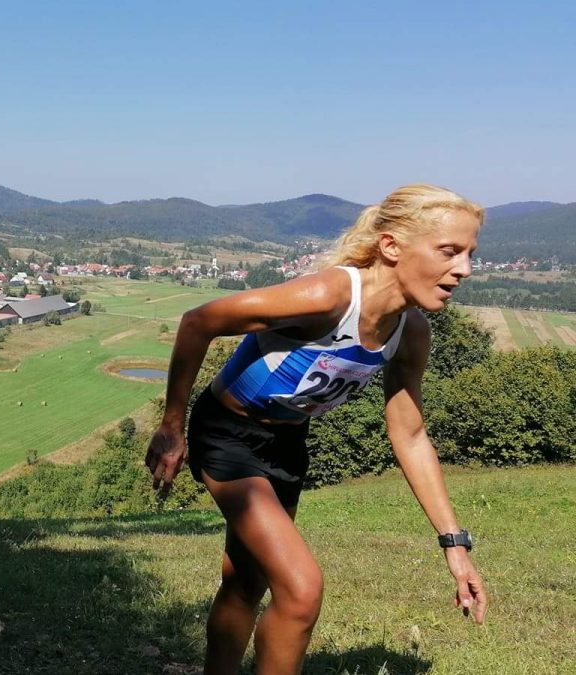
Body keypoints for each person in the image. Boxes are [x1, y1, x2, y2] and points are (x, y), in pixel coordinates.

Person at [145, 184, 489, 674]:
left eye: (470, 254)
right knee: (301, 590)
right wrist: (172, 425)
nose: (464, 269)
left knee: (246, 581)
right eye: (449, 251)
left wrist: (455, 547)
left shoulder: (410, 332)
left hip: (288, 444)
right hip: (226, 434)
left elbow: (411, 435)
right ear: (391, 246)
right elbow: (199, 321)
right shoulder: (327, 297)